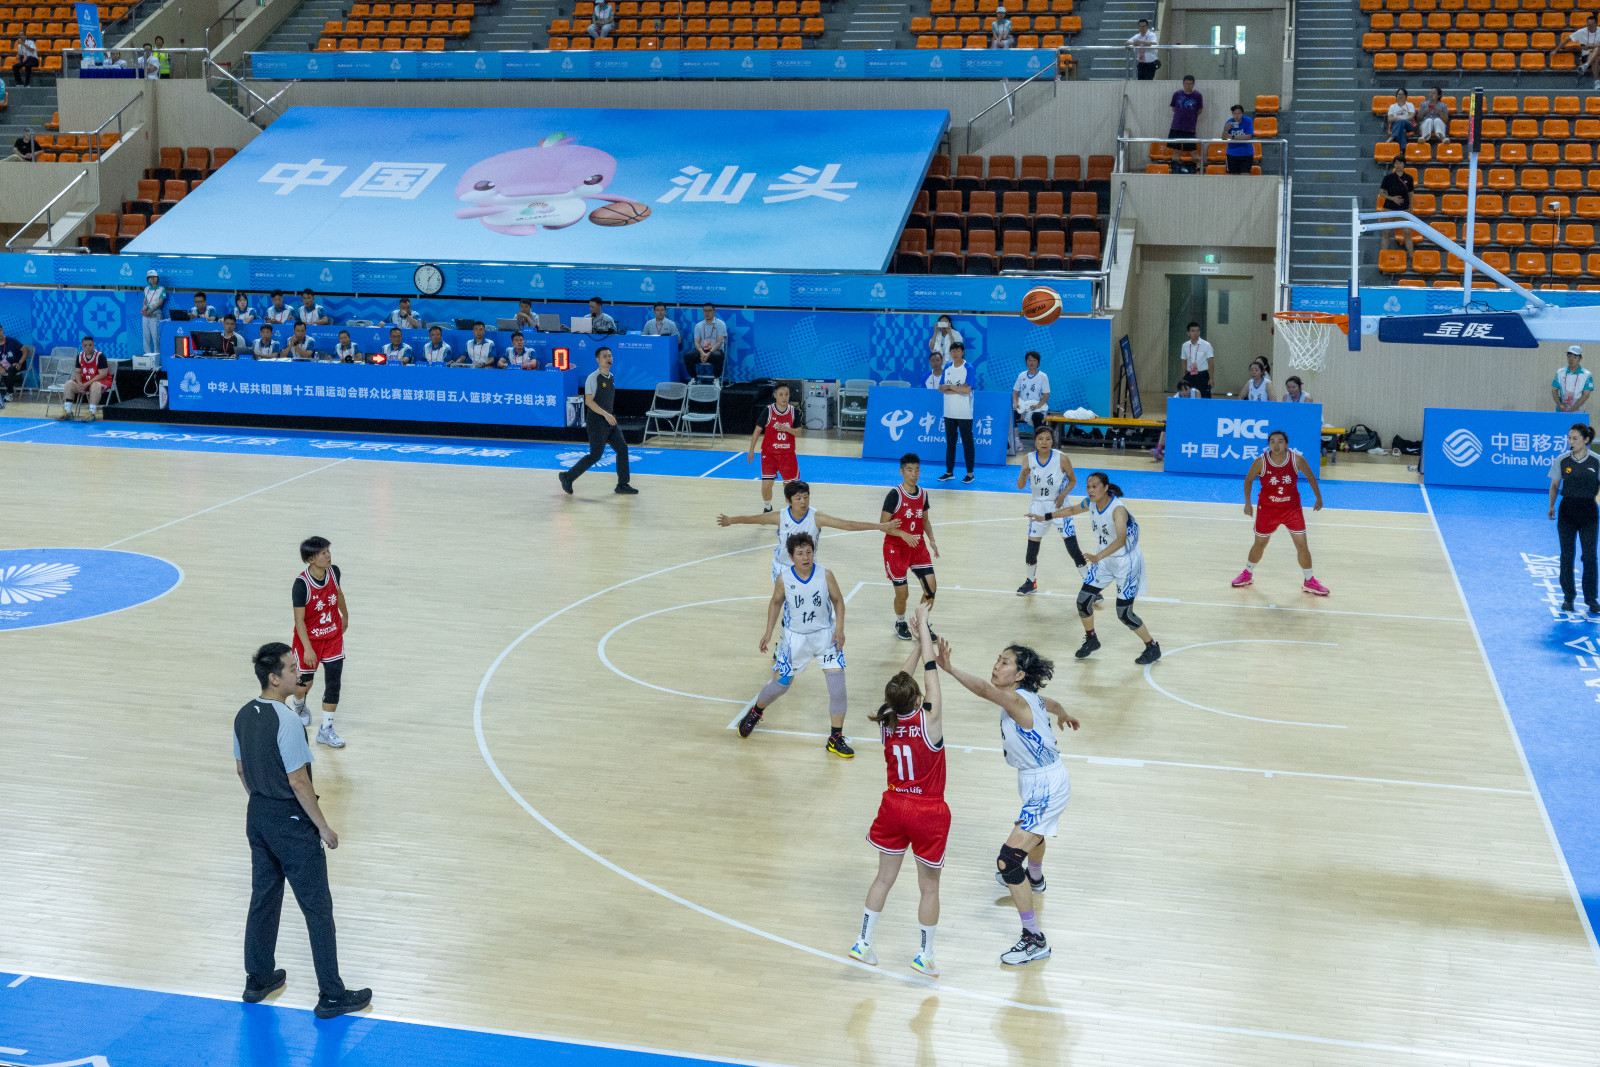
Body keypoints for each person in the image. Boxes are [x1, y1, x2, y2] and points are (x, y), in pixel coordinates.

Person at [235, 642, 372, 1020]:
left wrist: (263, 802)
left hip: (257, 815)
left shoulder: (243, 714)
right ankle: (332, 995)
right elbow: (298, 781)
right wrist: (322, 826)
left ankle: (258, 978)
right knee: (317, 908)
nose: (300, 673)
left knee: (263, 898)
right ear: (274, 678)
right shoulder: (288, 721)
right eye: (292, 669)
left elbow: (242, 769)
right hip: (291, 824)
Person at [932, 637, 1079, 966]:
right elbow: (1051, 703)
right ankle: (1036, 879)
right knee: (1035, 833)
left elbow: (984, 690)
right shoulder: (1029, 697)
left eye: (1005, 662)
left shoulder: (1014, 699)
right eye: (998, 659)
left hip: (1045, 785)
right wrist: (1064, 714)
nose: (997, 665)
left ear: (1020, 675)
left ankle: (1034, 939)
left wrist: (950, 669)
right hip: (1040, 781)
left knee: (1009, 862)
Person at [850, 602, 945, 977]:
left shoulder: (885, 720)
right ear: (919, 699)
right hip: (927, 812)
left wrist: (918, 641)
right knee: (929, 888)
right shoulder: (930, 720)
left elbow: (900, 683)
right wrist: (924, 629)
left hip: (892, 806)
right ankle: (925, 955)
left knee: (883, 878)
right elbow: (931, 671)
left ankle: (863, 943)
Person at [736, 532, 853, 758]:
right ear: (791, 557)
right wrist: (768, 632)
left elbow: (838, 600)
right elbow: (775, 603)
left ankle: (835, 737)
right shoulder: (784, 579)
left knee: (838, 687)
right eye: (800, 553)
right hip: (795, 639)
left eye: (809, 552)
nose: (805, 557)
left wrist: (839, 628)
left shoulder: (825, 574)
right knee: (781, 685)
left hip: (825, 636)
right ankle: (756, 711)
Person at [1050, 473, 1161, 664]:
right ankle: (1091, 639)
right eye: (1088, 486)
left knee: (1124, 614)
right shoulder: (1091, 503)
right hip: (1104, 560)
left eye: (1095, 486)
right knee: (1083, 601)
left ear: (1106, 487)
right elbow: (1072, 509)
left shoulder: (1118, 510)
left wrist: (1097, 557)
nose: (1090, 490)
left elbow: (1121, 540)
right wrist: (1045, 516)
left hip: (1126, 562)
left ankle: (1152, 647)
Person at [718, 478, 898, 583]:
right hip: (783, 567)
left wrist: (880, 526)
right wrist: (731, 520)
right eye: (798, 498)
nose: (803, 502)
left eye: (806, 497)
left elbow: (847, 524)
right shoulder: (780, 516)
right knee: (788, 603)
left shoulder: (816, 517)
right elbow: (753, 519)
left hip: (808, 565)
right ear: (789, 501)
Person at [1232, 429, 1329, 596]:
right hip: (1267, 510)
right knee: (1259, 544)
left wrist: (1318, 498)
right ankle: (1247, 573)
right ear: (1268, 445)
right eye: (1272, 442)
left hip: (1292, 509)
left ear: (1286, 444)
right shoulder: (1261, 462)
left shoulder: (1297, 460)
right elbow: (1248, 481)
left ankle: (1309, 581)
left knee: (1302, 545)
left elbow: (1311, 477)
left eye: (1280, 441)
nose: (1276, 445)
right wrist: (1247, 504)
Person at [289, 536, 350, 749]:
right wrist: (307, 649)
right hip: (309, 640)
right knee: (304, 685)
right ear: (311, 559)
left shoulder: (334, 572)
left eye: (328, 551)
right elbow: (299, 621)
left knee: (334, 682)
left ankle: (326, 729)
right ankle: (299, 704)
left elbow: (338, 594)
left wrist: (345, 615)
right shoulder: (301, 585)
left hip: (332, 636)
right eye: (323, 553)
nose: (328, 555)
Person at [1015, 425, 1087, 596]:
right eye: (1040, 439)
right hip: (1038, 506)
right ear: (1035, 441)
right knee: (1032, 547)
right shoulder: (1028, 459)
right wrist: (1023, 476)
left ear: (1052, 441)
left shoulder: (1062, 458)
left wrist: (1063, 495)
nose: (1044, 442)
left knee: (1072, 548)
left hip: (1059, 506)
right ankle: (1030, 582)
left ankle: (1090, 585)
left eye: (1048, 439)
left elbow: (1073, 480)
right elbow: (1020, 486)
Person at [559, 346, 636, 495]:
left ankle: (622, 484)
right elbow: (589, 401)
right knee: (595, 455)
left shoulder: (611, 377)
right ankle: (567, 477)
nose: (609, 358)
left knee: (622, 449)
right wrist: (606, 415)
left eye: (610, 356)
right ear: (598, 360)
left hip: (609, 421)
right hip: (596, 422)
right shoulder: (593, 378)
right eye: (605, 356)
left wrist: (608, 415)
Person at [882, 453, 940, 640]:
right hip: (896, 548)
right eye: (909, 470)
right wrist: (902, 534)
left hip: (918, 547)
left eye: (917, 470)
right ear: (901, 471)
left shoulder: (923, 494)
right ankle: (900, 622)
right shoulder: (895, 495)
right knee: (903, 594)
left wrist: (931, 539)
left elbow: (925, 520)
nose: (914, 474)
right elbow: (883, 525)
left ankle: (922, 624)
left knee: (931, 588)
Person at [1550, 423, 1600, 614]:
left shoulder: (1597, 461)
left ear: (1586, 440)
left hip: (1589, 513)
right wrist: (1551, 506)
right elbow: (1555, 485)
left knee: (1589, 556)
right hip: (1567, 512)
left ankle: (1591, 599)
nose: (1571, 441)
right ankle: (1568, 598)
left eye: (1575, 438)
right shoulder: (1562, 460)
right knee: (1566, 555)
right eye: (1569, 438)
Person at [747, 382, 801, 511]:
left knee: (789, 487)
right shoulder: (768, 410)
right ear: (775, 395)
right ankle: (767, 507)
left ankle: (789, 510)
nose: (784, 397)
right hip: (769, 454)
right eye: (781, 394)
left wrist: (787, 429)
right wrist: (751, 449)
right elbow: (757, 430)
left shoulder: (794, 411)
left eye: (786, 394)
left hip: (787, 455)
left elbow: (798, 433)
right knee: (766, 484)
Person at [933, 341, 975, 483]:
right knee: (950, 443)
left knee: (967, 442)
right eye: (953, 351)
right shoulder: (947, 367)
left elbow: (967, 390)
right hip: (949, 411)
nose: (955, 354)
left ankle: (970, 473)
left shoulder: (968, 367)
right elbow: (941, 388)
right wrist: (958, 388)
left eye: (958, 351)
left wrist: (949, 387)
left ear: (962, 352)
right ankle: (949, 472)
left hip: (964, 412)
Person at [57, 335, 113, 421]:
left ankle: (91, 413)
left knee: (95, 385)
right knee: (69, 384)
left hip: (102, 381)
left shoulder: (100, 356)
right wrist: (80, 384)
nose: (88, 347)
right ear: (82, 346)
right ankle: (68, 412)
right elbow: (77, 372)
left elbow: (102, 374)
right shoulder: (79, 356)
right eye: (85, 345)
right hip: (85, 381)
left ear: (93, 345)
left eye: (90, 345)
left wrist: (86, 384)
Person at [1011, 350, 1050, 452]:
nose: (1031, 362)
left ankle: (1038, 443)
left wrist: (1038, 405)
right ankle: (1016, 442)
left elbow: (1046, 395)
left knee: (1037, 416)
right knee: (1011, 415)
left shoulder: (1043, 376)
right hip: (1023, 405)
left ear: (1038, 363)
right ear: (1026, 362)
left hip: (1036, 406)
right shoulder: (1021, 375)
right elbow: (1015, 392)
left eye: (1034, 360)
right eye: (1029, 360)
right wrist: (1015, 403)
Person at [1379, 156, 1417, 255]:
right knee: (1386, 233)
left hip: (1404, 209)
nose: (1398, 165)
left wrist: (1411, 209)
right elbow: (1382, 193)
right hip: (1389, 208)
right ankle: (1384, 256)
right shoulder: (1388, 178)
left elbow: (1411, 195)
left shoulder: (1409, 178)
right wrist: (1392, 198)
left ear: (1404, 165)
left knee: (1407, 234)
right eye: (1396, 163)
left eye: (1400, 163)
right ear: (1394, 165)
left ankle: (1413, 257)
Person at [1551, 13, 1600, 87]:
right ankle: (1596, 82)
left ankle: (1586, 66)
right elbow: (1567, 40)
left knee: (1597, 49)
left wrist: (1592, 47)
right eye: (1588, 25)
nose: (1589, 27)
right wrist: (1556, 50)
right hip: (1586, 56)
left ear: (1596, 24)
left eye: (1592, 25)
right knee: (1596, 58)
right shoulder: (1581, 32)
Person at [1168, 75, 1204, 172]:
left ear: (1193, 84)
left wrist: (1190, 117)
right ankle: (1175, 169)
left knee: (1193, 151)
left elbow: (1199, 110)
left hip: (1189, 128)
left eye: (1190, 84)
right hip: (1176, 126)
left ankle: (1197, 170)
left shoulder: (1198, 95)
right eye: (1186, 83)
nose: (1188, 86)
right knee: (1176, 150)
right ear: (1183, 84)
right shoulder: (1177, 94)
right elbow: (1174, 108)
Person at [688, 303, 728, 379]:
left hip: (715, 351)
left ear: (714, 312)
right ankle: (694, 379)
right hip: (702, 351)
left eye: (709, 311)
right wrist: (702, 352)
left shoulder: (720, 324)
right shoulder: (698, 325)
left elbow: (719, 342)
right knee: (688, 357)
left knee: (718, 357)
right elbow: (696, 342)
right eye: (705, 311)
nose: (707, 313)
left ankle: (716, 379)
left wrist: (709, 353)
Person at [1179, 321, 1215, 397]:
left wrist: (1211, 378)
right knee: (1189, 396)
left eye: (1197, 331)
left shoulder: (1206, 345)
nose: (1195, 333)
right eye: (1193, 331)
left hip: (1202, 375)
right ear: (1188, 333)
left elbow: (1211, 362)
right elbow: (1184, 361)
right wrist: (1184, 376)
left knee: (1204, 397)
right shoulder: (1185, 345)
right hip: (1190, 375)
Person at [1553, 344, 1593, 413]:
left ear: (1580, 358)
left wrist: (1572, 409)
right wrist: (1559, 405)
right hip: (1562, 410)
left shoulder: (1587, 374)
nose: (1571, 359)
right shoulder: (1560, 372)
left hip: (1578, 411)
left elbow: (1586, 394)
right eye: (1569, 356)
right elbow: (1554, 390)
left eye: (1575, 357)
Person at [0, 323, 33, 401]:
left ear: (2, 331)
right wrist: (0, 367)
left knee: (12, 369)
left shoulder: (11, 341)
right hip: (4, 365)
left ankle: (9, 393)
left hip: (17, 364)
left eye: (0, 331)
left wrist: (20, 362)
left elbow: (26, 350)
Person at [141, 269, 167, 353]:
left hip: (155, 315)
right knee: (145, 336)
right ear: (148, 279)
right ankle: (147, 355)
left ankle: (157, 356)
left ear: (157, 278)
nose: (152, 279)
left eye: (154, 277)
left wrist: (150, 311)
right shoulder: (146, 289)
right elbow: (145, 300)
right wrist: (144, 309)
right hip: (146, 315)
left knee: (155, 337)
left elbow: (160, 302)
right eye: (150, 277)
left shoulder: (161, 289)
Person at [1223, 104, 1254, 174]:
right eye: (1235, 113)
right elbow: (1224, 138)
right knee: (1234, 177)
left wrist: (1232, 137)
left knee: (1245, 175)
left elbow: (1249, 136)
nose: (1237, 116)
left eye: (1239, 113)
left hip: (1246, 153)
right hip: (1232, 154)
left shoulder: (1248, 120)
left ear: (1242, 114)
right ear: (1232, 114)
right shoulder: (1229, 122)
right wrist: (1226, 129)